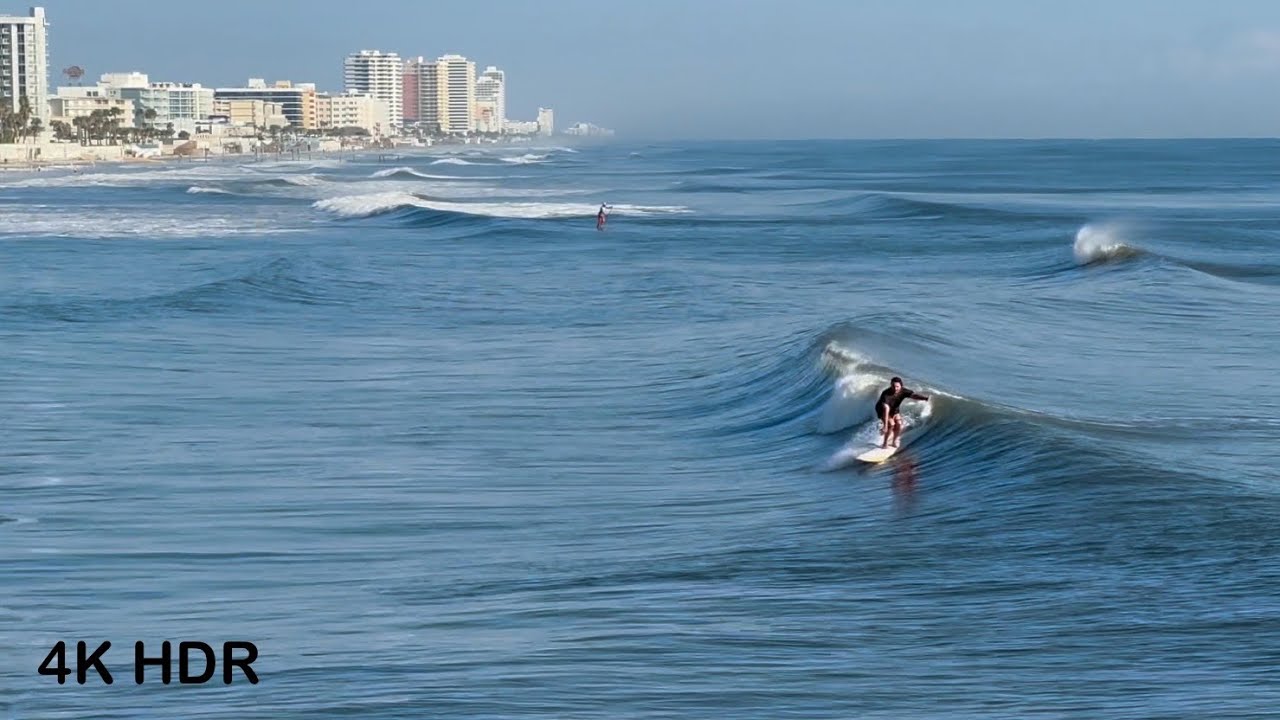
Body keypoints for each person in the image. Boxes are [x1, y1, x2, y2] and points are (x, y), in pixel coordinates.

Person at [875, 376, 929, 449]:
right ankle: (885, 443)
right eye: (893, 386)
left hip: (894, 409)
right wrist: (885, 426)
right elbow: (886, 409)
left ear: (901, 386)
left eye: (897, 386)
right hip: (882, 410)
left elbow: (913, 396)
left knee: (899, 424)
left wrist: (925, 398)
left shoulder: (903, 391)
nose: (895, 388)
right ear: (890, 385)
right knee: (891, 424)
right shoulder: (886, 394)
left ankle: (894, 441)